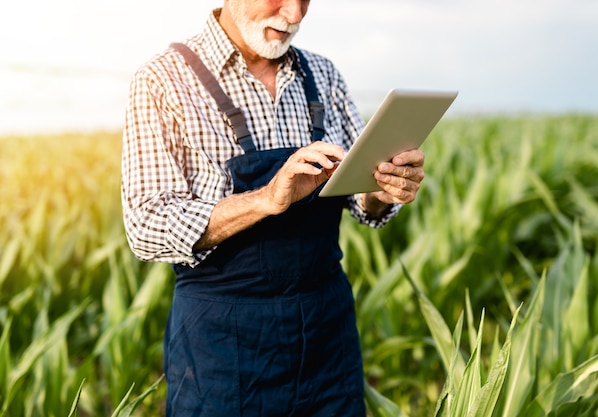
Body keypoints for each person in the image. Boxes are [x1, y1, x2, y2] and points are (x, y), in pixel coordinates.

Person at [121, 0, 425, 415]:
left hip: (326, 337)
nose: (295, 14)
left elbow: (362, 200)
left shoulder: (323, 75)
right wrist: (265, 199)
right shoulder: (162, 80)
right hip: (223, 350)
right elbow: (146, 226)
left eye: (305, 0)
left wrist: (383, 189)